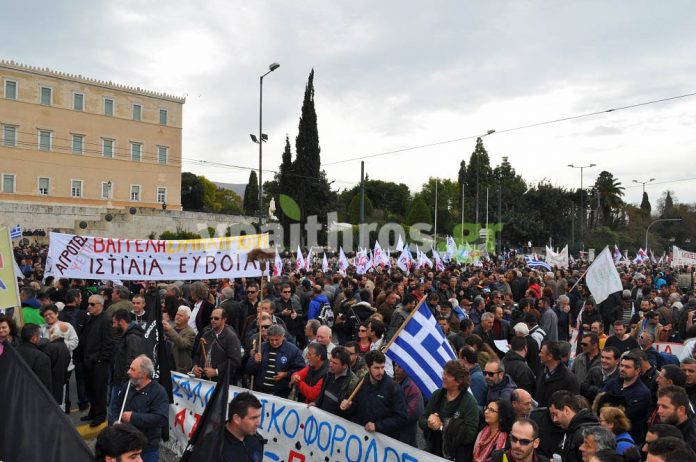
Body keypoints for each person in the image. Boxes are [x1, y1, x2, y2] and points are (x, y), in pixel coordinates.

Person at [418, 360, 478, 461]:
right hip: (432, 451)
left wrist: (442, 427)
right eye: (444, 373)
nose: (443, 377)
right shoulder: (437, 395)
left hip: (453, 456)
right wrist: (429, 423)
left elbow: (470, 436)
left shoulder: (470, 403)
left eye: (448, 375)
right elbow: (421, 420)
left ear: (459, 381)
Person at [340, 350, 407, 440]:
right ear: (367, 367)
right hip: (361, 436)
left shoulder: (393, 388)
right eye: (376, 368)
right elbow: (356, 407)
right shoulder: (361, 383)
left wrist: (377, 426)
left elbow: (401, 418)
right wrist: (348, 406)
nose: (380, 372)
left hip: (381, 440)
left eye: (382, 367)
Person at [113, 355, 169, 462]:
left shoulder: (159, 392)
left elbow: (161, 418)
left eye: (133, 369)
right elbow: (117, 407)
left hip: (147, 449)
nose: (128, 372)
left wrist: (133, 417)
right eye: (129, 368)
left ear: (144, 374)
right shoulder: (128, 386)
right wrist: (116, 420)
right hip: (125, 445)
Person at [79, 294, 116, 427]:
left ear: (100, 305)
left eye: (92, 304)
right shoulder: (91, 318)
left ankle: (100, 416)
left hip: (99, 363)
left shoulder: (105, 320)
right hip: (88, 361)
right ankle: (93, 412)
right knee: (90, 389)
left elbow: (109, 342)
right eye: (89, 303)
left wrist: (101, 360)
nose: (89, 306)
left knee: (99, 391)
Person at [602, 351, 652, 443]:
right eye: (622, 365)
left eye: (627, 367)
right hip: (606, 435)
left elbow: (622, 417)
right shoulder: (613, 383)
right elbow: (599, 402)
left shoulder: (642, 393)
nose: (622, 369)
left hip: (628, 441)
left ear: (637, 370)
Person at [246, 324, 305, 398]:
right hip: (260, 392)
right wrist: (254, 361)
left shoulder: (292, 350)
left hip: (280, 394)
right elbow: (249, 370)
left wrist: (286, 374)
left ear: (283, 337)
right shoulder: (261, 348)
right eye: (271, 340)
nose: (274, 342)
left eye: (277, 340)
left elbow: (301, 369)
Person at [109, 310, 144, 423]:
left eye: (114, 323)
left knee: (115, 412)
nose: (113, 326)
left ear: (122, 322)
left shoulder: (132, 337)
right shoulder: (125, 335)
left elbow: (132, 361)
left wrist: (125, 381)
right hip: (118, 380)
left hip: (122, 382)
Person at [548, 390, 599, 462]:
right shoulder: (573, 430)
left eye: (555, 414)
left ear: (566, 410)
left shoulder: (582, 434)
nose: (554, 419)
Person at [193, 308, 242, 382]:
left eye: (216, 318)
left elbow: (235, 361)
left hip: (221, 382)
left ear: (224, 320)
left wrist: (216, 371)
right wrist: (195, 367)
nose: (213, 320)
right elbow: (198, 355)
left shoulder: (231, 337)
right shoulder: (206, 334)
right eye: (211, 318)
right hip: (203, 380)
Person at [314, 346, 359, 417]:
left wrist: (349, 406)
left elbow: (353, 410)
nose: (330, 365)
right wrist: (316, 403)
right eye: (330, 361)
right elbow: (322, 394)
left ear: (344, 365)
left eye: (334, 363)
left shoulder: (353, 383)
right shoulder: (328, 374)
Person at [222, 392, 265, 462]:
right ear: (237, 419)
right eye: (253, 418)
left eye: (258, 417)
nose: (258, 423)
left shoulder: (256, 440)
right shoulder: (214, 446)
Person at [535, 340, 580, 407]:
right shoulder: (541, 369)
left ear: (550, 356)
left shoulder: (569, 379)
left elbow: (572, 404)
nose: (539, 355)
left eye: (541, 352)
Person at [392, 360, 424, 447]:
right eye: (395, 365)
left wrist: (392, 418)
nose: (396, 369)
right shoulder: (392, 383)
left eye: (400, 367)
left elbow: (413, 413)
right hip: (392, 433)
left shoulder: (414, 388)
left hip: (406, 436)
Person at [656, 385, 696, 449]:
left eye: (664, 407)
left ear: (681, 410)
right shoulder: (665, 423)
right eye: (658, 406)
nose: (659, 411)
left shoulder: (691, 442)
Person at [17, 323, 52, 392]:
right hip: (34, 397)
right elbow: (45, 385)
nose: (40, 338)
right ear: (34, 339)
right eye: (39, 336)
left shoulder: (13, 352)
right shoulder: (42, 357)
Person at [162, 305, 196, 373]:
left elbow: (182, 344)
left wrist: (170, 330)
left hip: (179, 369)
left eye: (181, 315)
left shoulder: (191, 333)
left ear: (188, 318)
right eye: (177, 314)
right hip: (166, 365)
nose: (177, 317)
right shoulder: (172, 328)